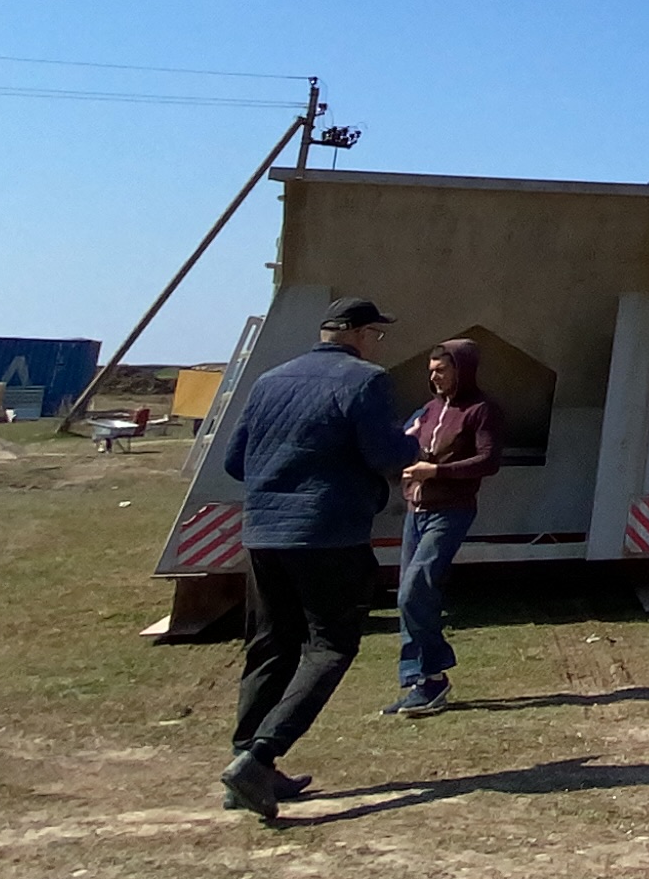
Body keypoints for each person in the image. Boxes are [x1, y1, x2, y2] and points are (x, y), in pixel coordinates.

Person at [214, 296, 407, 820]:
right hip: (328, 535)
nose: (377, 345)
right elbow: (385, 455)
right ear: (359, 334)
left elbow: (236, 461)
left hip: (262, 533)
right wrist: (412, 443)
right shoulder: (365, 382)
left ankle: (244, 766)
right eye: (377, 335)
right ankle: (261, 757)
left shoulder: (270, 380)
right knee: (330, 647)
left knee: (271, 645)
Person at [391, 339, 502, 717]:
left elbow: (488, 461)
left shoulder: (480, 410)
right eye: (431, 371)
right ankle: (418, 682)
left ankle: (435, 676)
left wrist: (436, 471)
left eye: (442, 369)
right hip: (416, 511)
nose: (435, 377)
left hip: (450, 511)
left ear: (462, 369)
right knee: (409, 595)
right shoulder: (429, 409)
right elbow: (404, 441)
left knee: (414, 589)